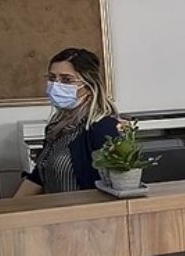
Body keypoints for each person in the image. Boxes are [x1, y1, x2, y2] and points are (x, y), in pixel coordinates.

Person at [14, 48, 120, 196]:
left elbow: (117, 184)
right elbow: (40, 175)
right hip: (54, 208)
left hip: (85, 209)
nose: (56, 85)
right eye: (52, 78)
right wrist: (12, 207)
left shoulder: (102, 128)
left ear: (89, 85)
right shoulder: (56, 127)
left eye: (66, 80)